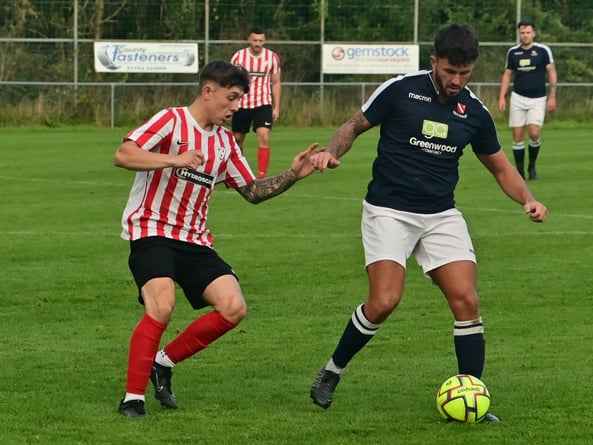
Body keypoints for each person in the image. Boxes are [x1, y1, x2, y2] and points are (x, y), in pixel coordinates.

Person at [308, 23, 548, 422]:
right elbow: (352, 126)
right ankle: (332, 371)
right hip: (389, 210)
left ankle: (472, 394)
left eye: (465, 73)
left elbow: (501, 168)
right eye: (450, 71)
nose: (456, 80)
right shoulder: (401, 90)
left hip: (439, 215)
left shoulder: (473, 112)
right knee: (384, 301)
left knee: (467, 301)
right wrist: (332, 152)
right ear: (434, 61)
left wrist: (529, 199)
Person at [113, 59, 316, 418]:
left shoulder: (225, 143)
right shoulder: (171, 120)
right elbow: (123, 154)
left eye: (240, 99)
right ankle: (133, 398)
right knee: (161, 304)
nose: (237, 107)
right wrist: (174, 159)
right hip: (152, 231)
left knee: (233, 307)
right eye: (232, 98)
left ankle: (164, 362)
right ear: (208, 91)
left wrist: (293, 174)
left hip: (194, 240)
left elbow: (252, 191)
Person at [498, 20, 557, 180]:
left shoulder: (543, 51)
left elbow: (551, 71)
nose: (525, 35)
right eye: (522, 33)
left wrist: (552, 95)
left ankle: (532, 166)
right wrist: (502, 96)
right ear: (519, 34)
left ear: (533, 34)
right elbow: (507, 74)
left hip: (538, 98)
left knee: (534, 133)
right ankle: (520, 172)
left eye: (528, 32)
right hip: (517, 98)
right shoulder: (513, 52)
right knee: (517, 137)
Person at [230, 26, 282, 179]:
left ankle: (261, 176)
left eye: (260, 40)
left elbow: (276, 82)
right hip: (242, 103)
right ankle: (240, 172)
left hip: (263, 103)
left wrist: (277, 107)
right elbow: (231, 81)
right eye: (255, 40)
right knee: (238, 139)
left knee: (264, 136)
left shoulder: (272, 57)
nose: (257, 43)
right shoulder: (239, 57)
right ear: (249, 40)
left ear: (264, 41)